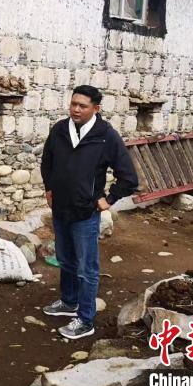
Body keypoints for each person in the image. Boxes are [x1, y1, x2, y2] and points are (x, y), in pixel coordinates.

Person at [40, 85, 138, 340]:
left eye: (82, 106)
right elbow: (47, 161)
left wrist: (109, 199)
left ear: (96, 108)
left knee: (86, 268)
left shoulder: (106, 136)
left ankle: (85, 319)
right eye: (73, 104)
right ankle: (68, 301)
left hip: (85, 212)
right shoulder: (60, 129)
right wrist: (49, 188)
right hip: (61, 209)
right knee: (66, 260)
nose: (75, 109)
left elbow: (129, 177)